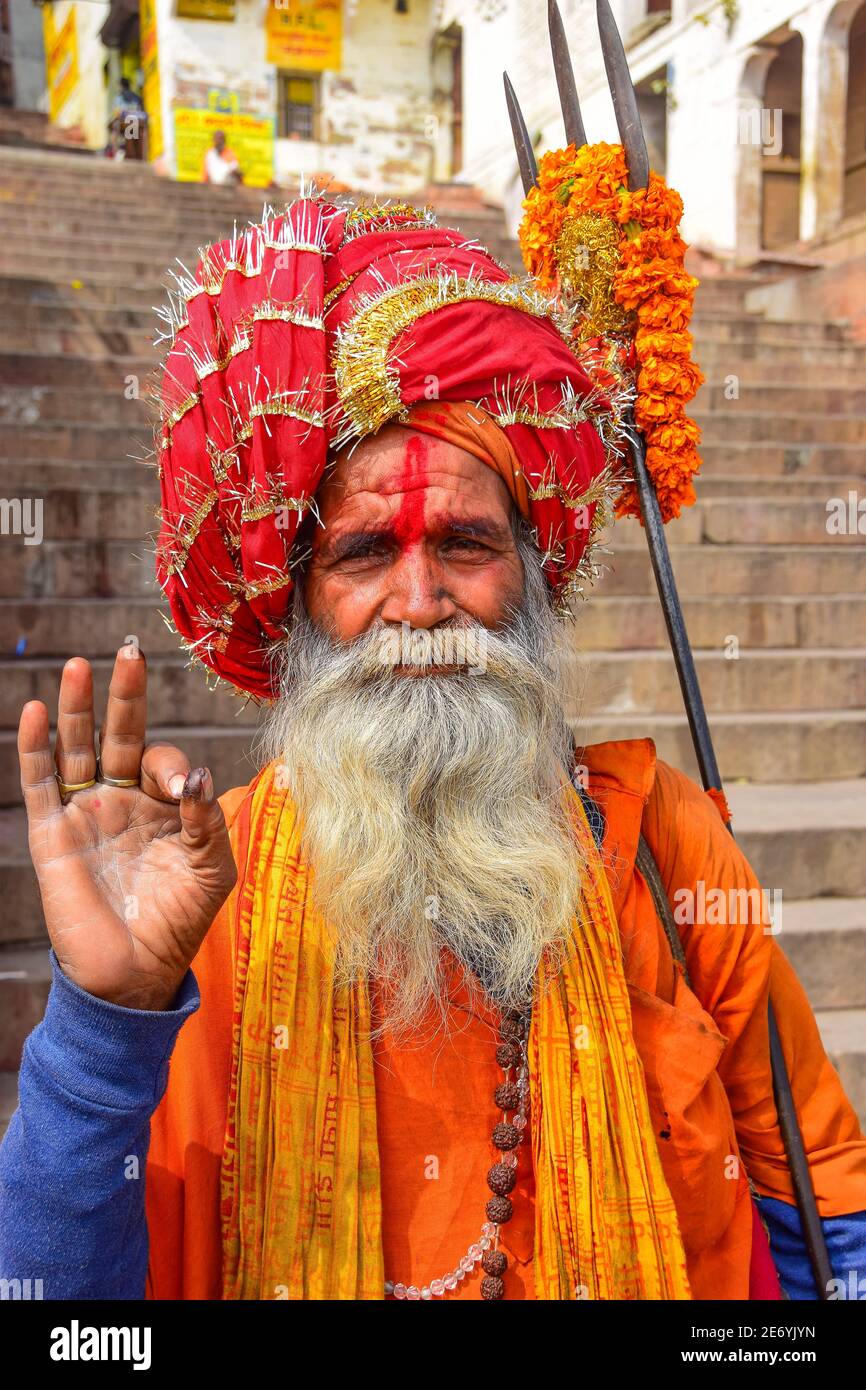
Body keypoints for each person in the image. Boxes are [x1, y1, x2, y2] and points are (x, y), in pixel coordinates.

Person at [0, 198, 864, 1301]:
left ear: (533, 580)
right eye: (362, 553)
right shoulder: (196, 900)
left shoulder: (665, 849)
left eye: (465, 543)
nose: (420, 603)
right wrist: (103, 1023)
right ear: (297, 603)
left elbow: (829, 1226)